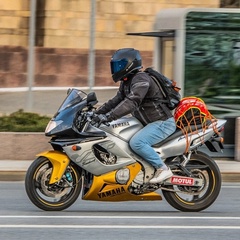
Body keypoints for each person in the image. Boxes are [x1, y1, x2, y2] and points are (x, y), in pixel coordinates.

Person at [94, 48, 176, 183]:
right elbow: (116, 101)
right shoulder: (126, 82)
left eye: (119, 65)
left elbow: (132, 102)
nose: (115, 69)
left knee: (137, 143)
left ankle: (163, 169)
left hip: (162, 122)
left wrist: (108, 117)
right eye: (115, 66)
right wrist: (96, 113)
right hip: (146, 123)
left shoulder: (141, 79)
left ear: (129, 64)